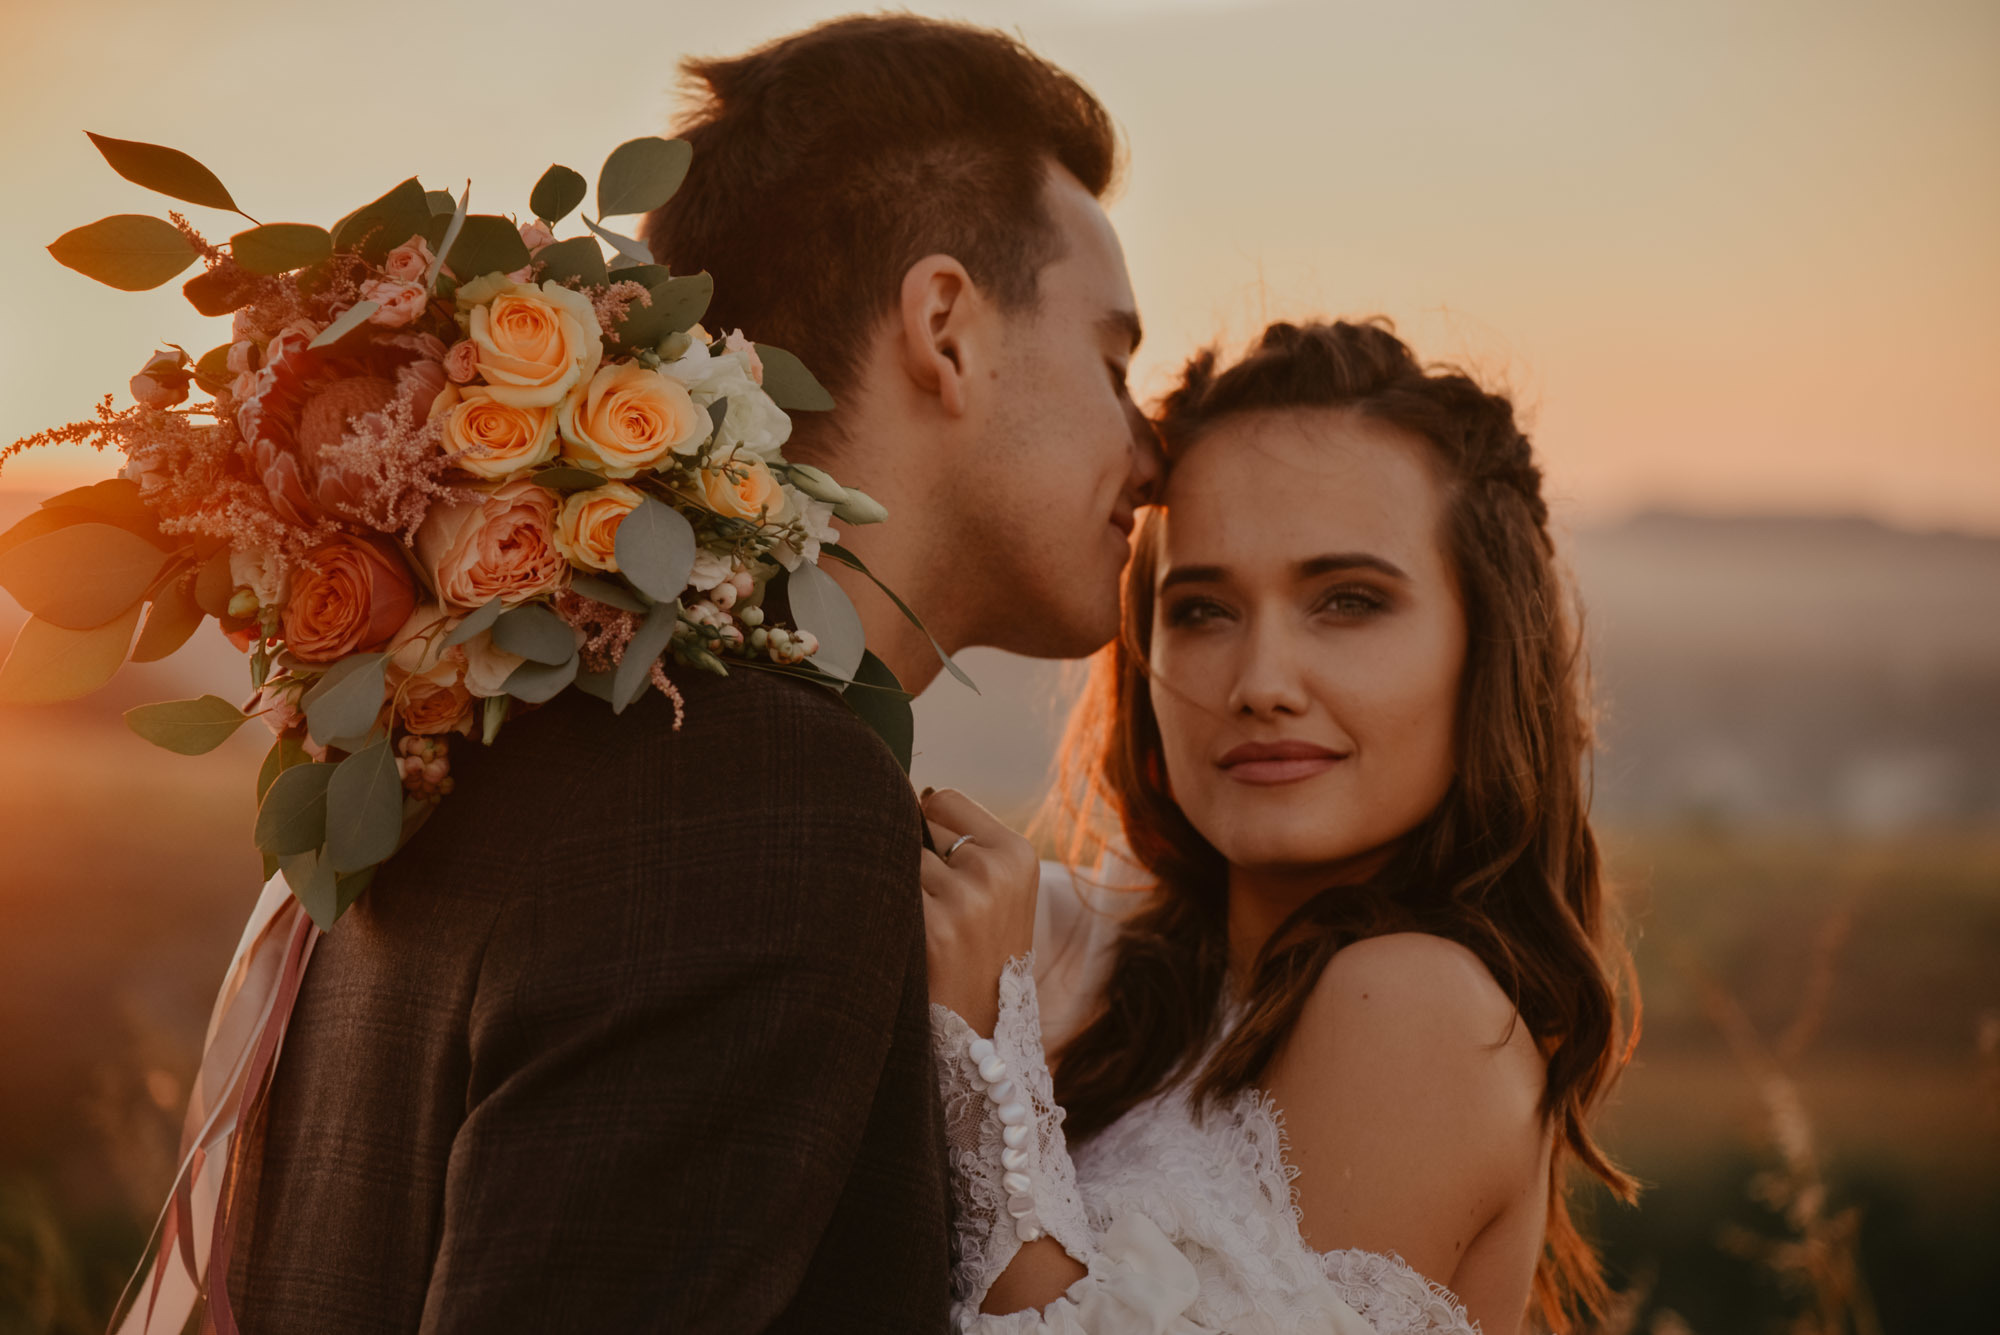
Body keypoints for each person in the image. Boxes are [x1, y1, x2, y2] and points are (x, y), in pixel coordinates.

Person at [229, 16, 1157, 1332]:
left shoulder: (480, 748)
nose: (1150, 449)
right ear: (946, 326)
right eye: (1115, 363)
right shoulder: (763, 796)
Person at [920, 320, 1637, 1334]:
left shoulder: (1422, 1008)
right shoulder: (1110, 959)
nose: (1259, 683)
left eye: (1347, 601)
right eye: (1202, 610)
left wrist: (982, 1059)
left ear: (1484, 649)